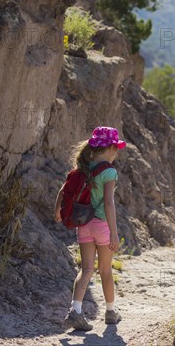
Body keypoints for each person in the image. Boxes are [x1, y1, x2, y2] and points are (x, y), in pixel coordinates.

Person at [53, 126, 126, 331]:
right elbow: (109, 204)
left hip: (83, 225)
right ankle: (111, 312)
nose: (117, 153)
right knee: (105, 270)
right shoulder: (109, 172)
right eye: (117, 148)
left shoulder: (82, 168)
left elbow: (63, 189)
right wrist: (113, 232)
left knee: (85, 270)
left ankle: (75, 311)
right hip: (102, 225)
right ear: (111, 148)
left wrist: (57, 210)